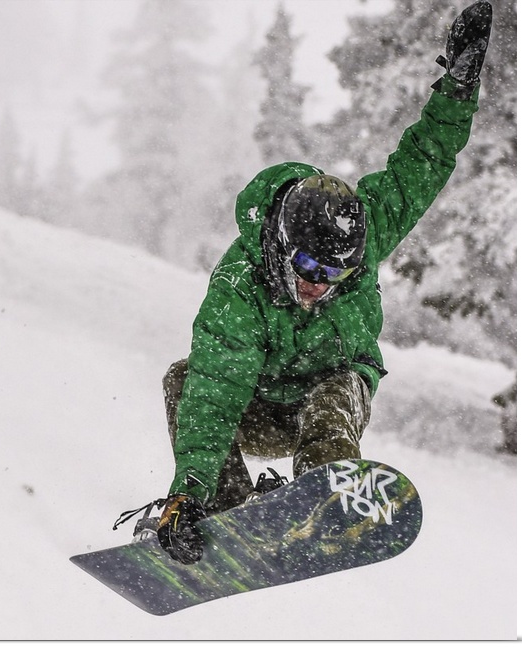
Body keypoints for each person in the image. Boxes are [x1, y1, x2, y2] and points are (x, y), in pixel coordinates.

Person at [155, 1, 493, 565]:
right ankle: (223, 510)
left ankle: (325, 494)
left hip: (327, 402)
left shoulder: (365, 232)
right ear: (282, 248)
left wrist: (458, 89)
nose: (319, 286)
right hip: (259, 404)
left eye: (336, 275)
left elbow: (423, 162)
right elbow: (215, 394)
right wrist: (187, 492)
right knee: (184, 378)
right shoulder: (240, 286)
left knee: (334, 393)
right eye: (309, 270)